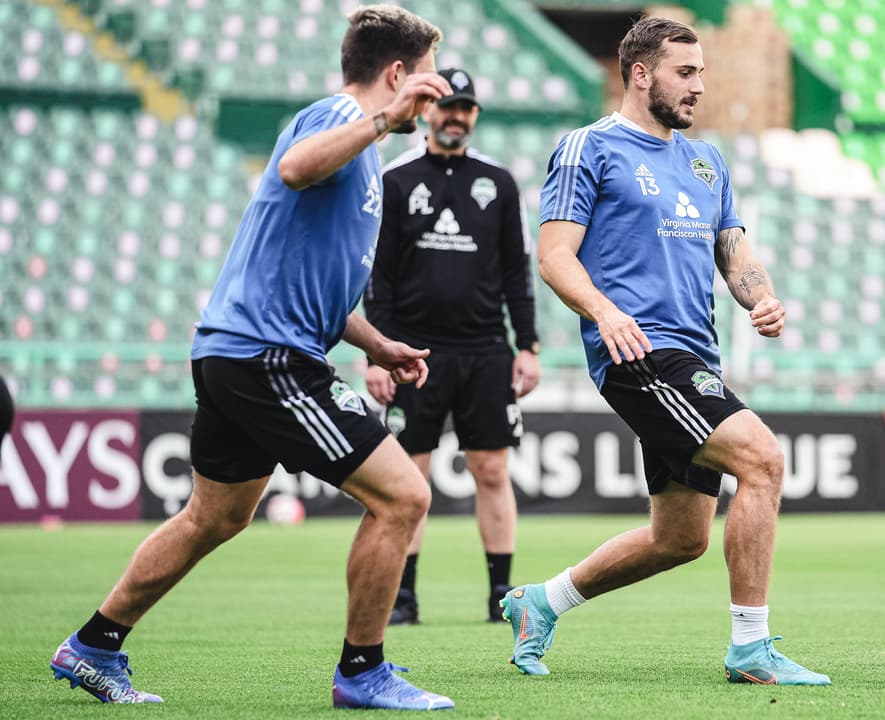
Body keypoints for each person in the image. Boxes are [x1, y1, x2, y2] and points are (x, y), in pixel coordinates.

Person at [49, 6, 459, 710]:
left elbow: (318, 285)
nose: (435, 95)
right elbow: (296, 167)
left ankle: (92, 645)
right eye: (426, 79)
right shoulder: (338, 118)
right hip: (267, 355)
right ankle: (362, 672)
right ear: (397, 75)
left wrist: (380, 344)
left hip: (239, 350)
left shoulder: (362, 150)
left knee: (215, 518)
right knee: (405, 495)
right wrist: (383, 121)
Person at [499, 16, 830, 686]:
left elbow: (732, 248)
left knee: (681, 538)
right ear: (642, 73)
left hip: (694, 356)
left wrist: (759, 295)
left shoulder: (707, 161)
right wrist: (604, 311)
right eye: (686, 72)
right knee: (763, 459)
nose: (699, 86)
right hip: (640, 353)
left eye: (703, 72)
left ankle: (540, 603)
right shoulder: (588, 148)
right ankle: (750, 649)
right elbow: (554, 255)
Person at [365, 67, 540, 625]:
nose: (456, 117)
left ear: (475, 116)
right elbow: (378, 278)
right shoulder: (395, 179)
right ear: (426, 112)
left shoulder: (499, 181)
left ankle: (500, 595)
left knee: (492, 470)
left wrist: (527, 345)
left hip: (487, 349)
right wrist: (377, 353)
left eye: (465, 108)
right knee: (408, 476)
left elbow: (517, 270)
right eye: (446, 107)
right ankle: (405, 596)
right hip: (414, 354)